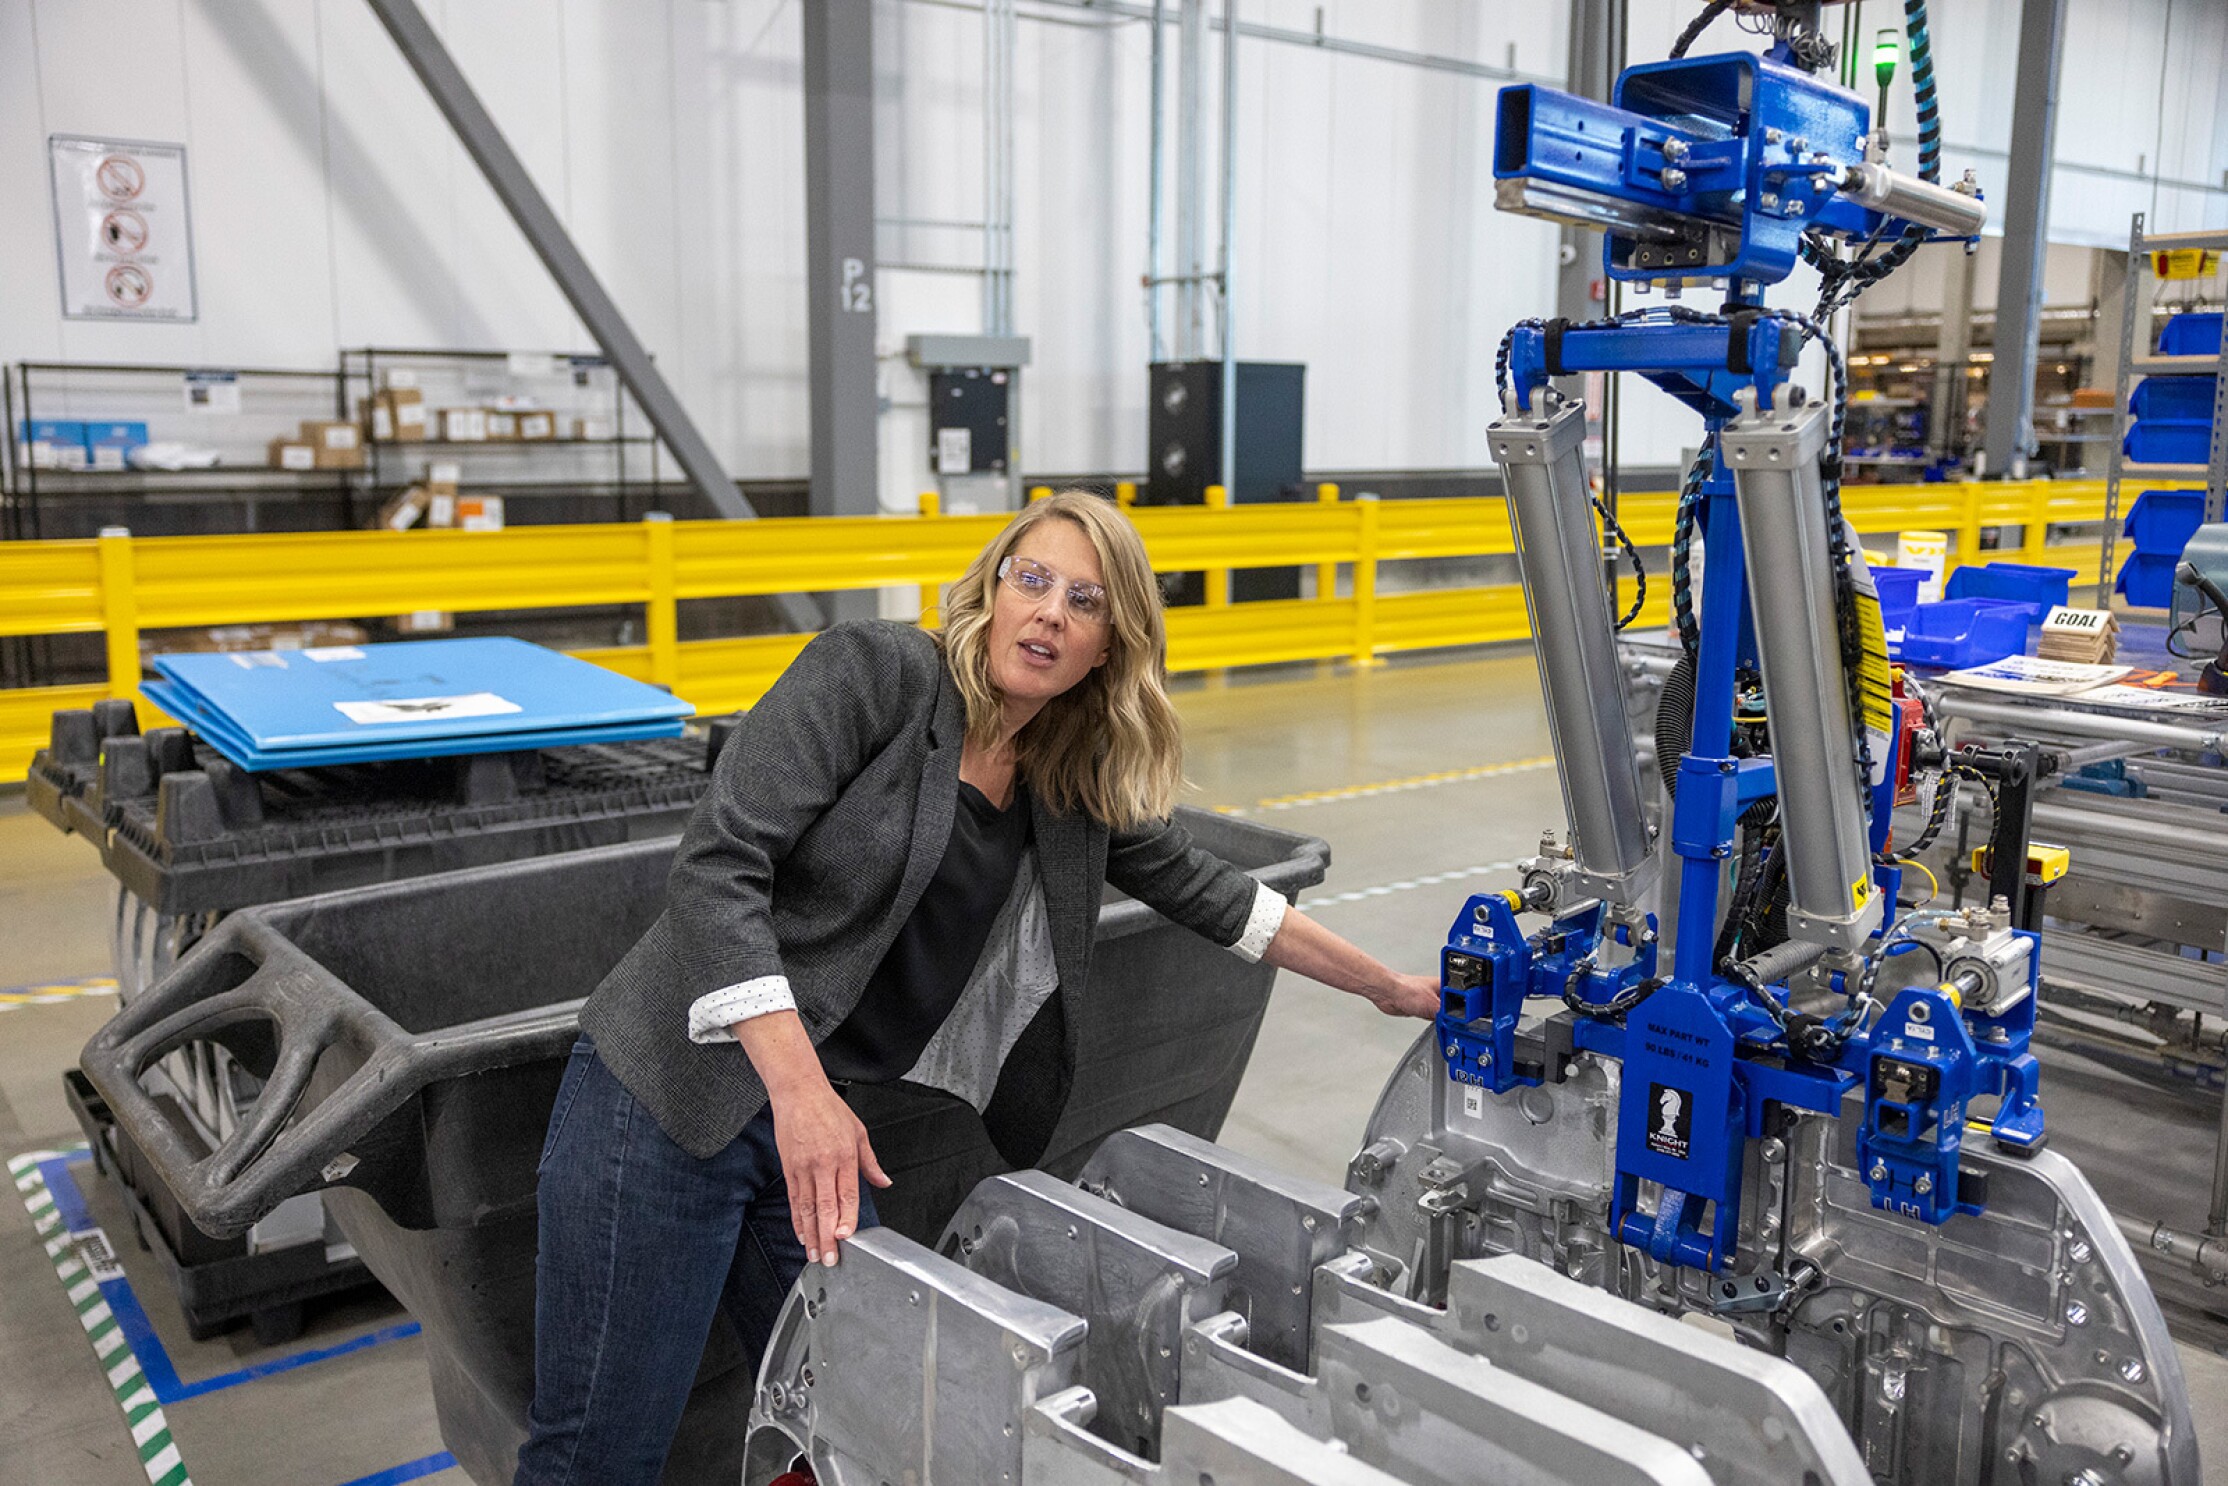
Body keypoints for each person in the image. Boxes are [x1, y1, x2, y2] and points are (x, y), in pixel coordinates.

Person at [514, 491, 1441, 1484]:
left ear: (1107, 645)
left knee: (875, 1421)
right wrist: (797, 1092)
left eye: (1082, 601)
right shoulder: (874, 673)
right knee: (598, 1456)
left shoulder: (1064, 776)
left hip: (811, 1134)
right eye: (1029, 579)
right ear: (990, 590)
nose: (1046, 611)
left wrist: (1386, 986)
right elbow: (717, 863)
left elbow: (1216, 896)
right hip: (669, 1097)